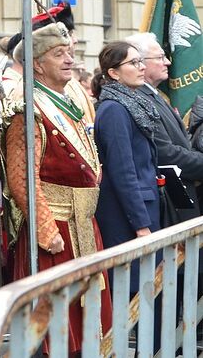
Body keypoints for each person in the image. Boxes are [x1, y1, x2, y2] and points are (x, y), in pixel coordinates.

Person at [4, 22, 112, 353]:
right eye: (58, 54)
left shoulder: (65, 103)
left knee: (89, 323)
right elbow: (22, 177)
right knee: (58, 326)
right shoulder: (29, 109)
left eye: (69, 53)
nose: (69, 59)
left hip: (83, 228)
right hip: (57, 233)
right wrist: (46, 229)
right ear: (37, 63)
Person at [92, 41, 160, 291]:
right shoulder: (114, 110)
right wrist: (141, 225)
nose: (141, 67)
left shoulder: (132, 103)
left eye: (141, 61)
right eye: (133, 63)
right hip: (128, 216)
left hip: (143, 207)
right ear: (113, 73)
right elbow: (123, 172)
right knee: (134, 290)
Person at [127, 32, 203, 221]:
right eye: (160, 57)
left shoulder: (153, 95)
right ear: (140, 63)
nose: (168, 62)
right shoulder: (140, 100)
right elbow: (165, 154)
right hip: (169, 203)